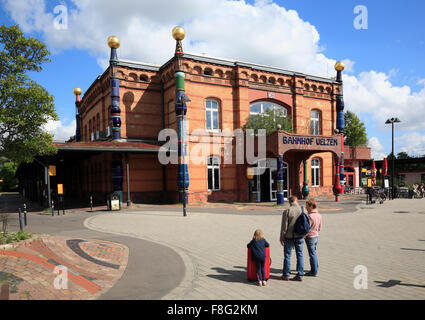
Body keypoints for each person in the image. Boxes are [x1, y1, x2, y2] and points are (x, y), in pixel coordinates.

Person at [280, 195, 304, 281]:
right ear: (296, 200)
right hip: (300, 236)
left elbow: (284, 227)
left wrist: (282, 238)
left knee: (287, 256)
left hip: (289, 237)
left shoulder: (287, 211)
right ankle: (300, 274)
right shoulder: (302, 210)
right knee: (300, 255)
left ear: (289, 202)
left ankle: (286, 275)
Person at [304, 198, 322, 277]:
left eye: (307, 206)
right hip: (316, 236)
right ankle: (315, 268)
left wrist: (304, 236)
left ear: (311, 206)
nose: (306, 207)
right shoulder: (319, 215)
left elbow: (307, 228)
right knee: (313, 252)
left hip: (310, 237)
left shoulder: (309, 216)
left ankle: (314, 271)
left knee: (312, 254)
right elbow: (320, 227)